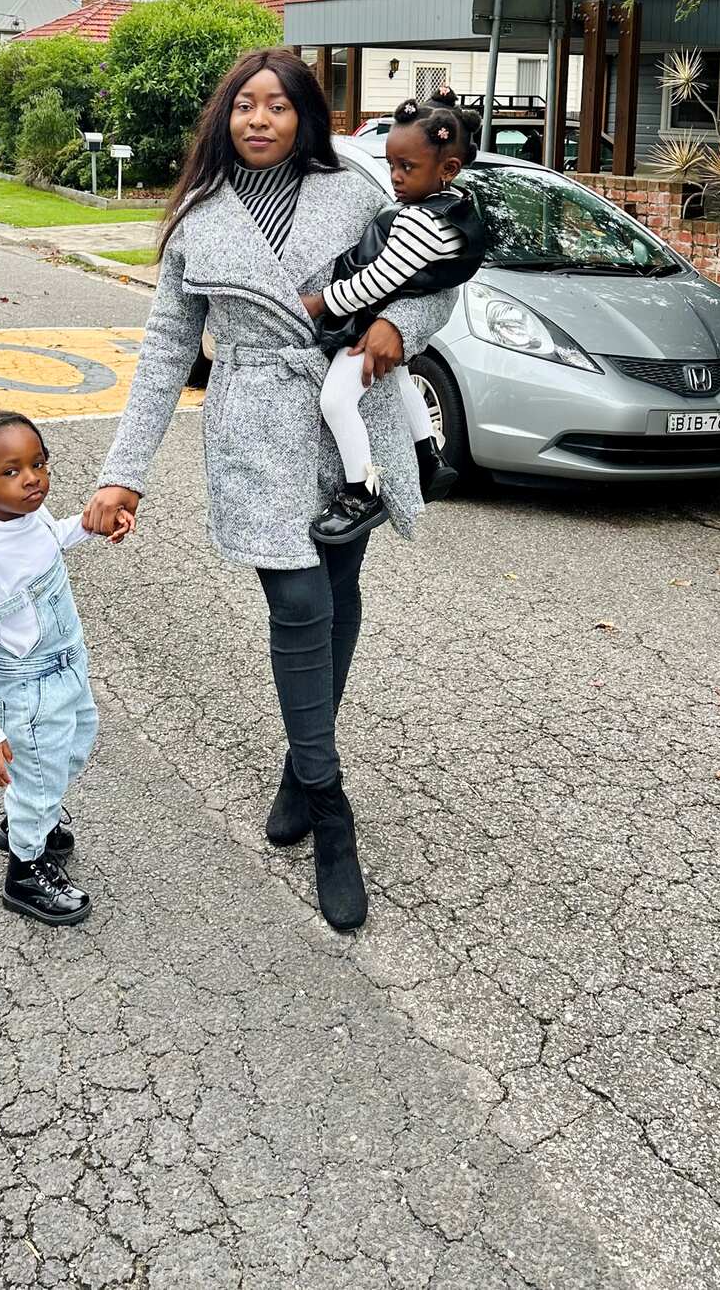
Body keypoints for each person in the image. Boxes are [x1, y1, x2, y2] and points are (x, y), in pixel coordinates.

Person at [82, 49, 458, 932]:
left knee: (337, 588)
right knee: (296, 602)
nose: (259, 119)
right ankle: (331, 810)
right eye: (244, 105)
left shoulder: (357, 193)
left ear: (304, 117)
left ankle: (300, 766)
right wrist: (123, 471)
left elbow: (439, 279)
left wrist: (399, 327)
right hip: (252, 421)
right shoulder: (196, 221)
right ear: (225, 117)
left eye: (277, 106)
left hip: (346, 414)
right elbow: (166, 353)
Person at [0, 409, 133, 929]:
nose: (31, 479)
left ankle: (31, 816)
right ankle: (26, 868)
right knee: (39, 774)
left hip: (66, 665)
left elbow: (52, 541)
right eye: (11, 471)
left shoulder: (29, 520)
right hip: (28, 688)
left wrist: (92, 526)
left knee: (73, 747)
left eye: (38, 464)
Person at [300, 98, 485, 544]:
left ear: (448, 168)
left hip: (364, 327)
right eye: (391, 165)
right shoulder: (453, 211)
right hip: (380, 327)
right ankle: (429, 457)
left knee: (336, 402)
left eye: (407, 167)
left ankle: (361, 491)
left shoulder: (419, 222)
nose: (395, 177)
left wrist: (318, 304)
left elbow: (374, 284)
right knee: (402, 381)